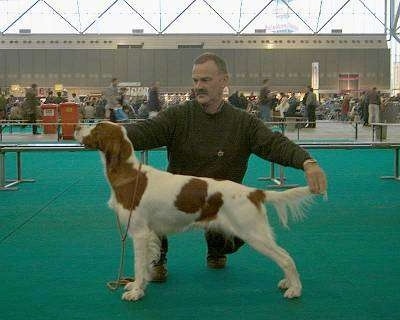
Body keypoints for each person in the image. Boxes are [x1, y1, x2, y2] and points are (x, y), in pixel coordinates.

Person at [124, 52, 327, 282]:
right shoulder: (177, 116)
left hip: (221, 202)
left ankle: (218, 248)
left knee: (237, 226)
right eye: (195, 80)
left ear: (224, 81)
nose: (198, 86)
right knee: (149, 204)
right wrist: (110, 134)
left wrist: (307, 162)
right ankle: (156, 261)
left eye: (206, 80)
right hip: (180, 200)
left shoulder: (243, 122)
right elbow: (144, 131)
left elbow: (273, 143)